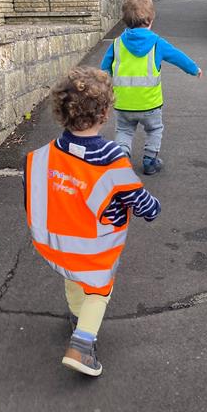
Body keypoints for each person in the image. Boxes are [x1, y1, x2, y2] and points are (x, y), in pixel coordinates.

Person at [24, 66, 160, 377]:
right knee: (98, 289)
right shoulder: (111, 159)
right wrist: (154, 208)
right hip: (93, 247)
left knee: (73, 278)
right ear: (105, 113)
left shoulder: (45, 155)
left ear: (61, 112)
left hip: (54, 242)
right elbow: (140, 203)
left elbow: (34, 192)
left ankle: (76, 317)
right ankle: (81, 347)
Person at [101, 0, 202, 175]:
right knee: (154, 129)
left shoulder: (116, 44)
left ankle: (122, 158)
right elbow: (177, 57)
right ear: (150, 19)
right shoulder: (157, 43)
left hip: (123, 103)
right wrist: (194, 69)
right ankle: (149, 160)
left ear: (124, 19)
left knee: (124, 130)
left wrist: (104, 90)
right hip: (150, 104)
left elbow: (104, 69)